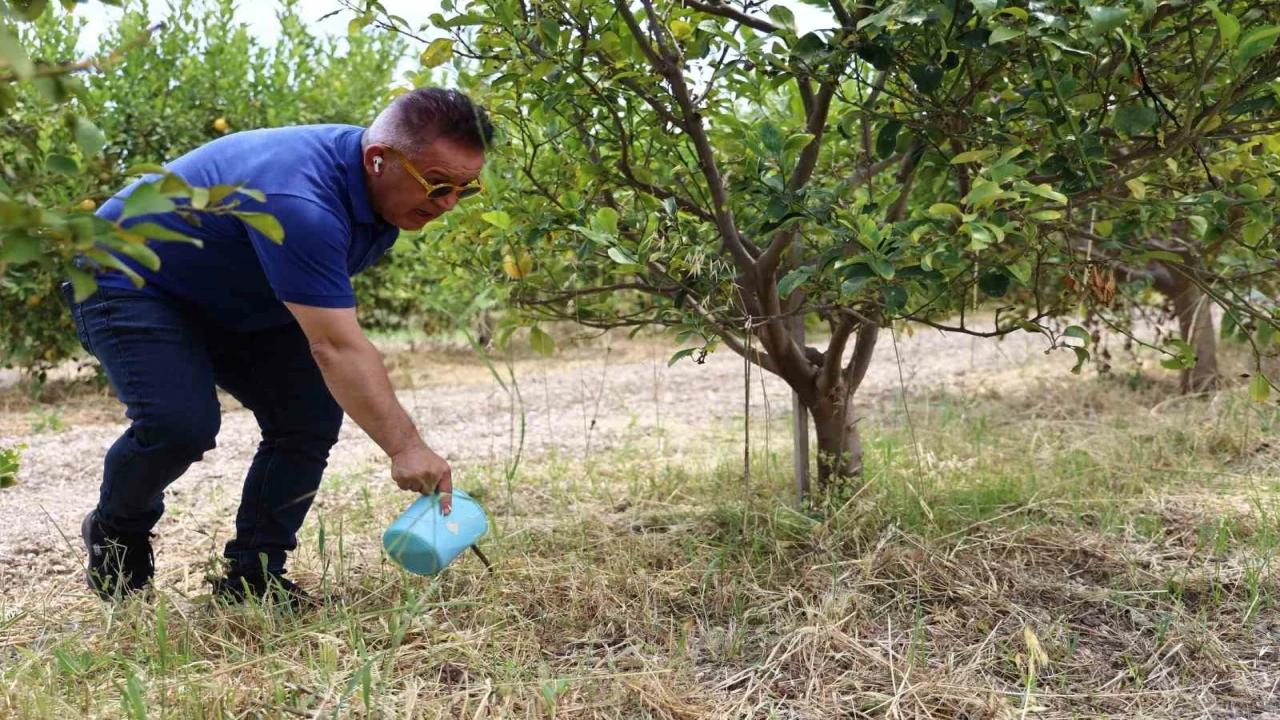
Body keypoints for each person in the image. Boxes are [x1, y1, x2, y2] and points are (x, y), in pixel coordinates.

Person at [63, 87, 494, 607]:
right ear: (379, 160)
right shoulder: (303, 201)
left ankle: (253, 578)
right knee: (180, 425)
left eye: (464, 190)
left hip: (235, 294)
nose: (447, 203)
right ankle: (116, 530)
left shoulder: (383, 199)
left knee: (307, 418)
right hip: (128, 277)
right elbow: (335, 346)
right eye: (438, 184)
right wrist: (406, 447)